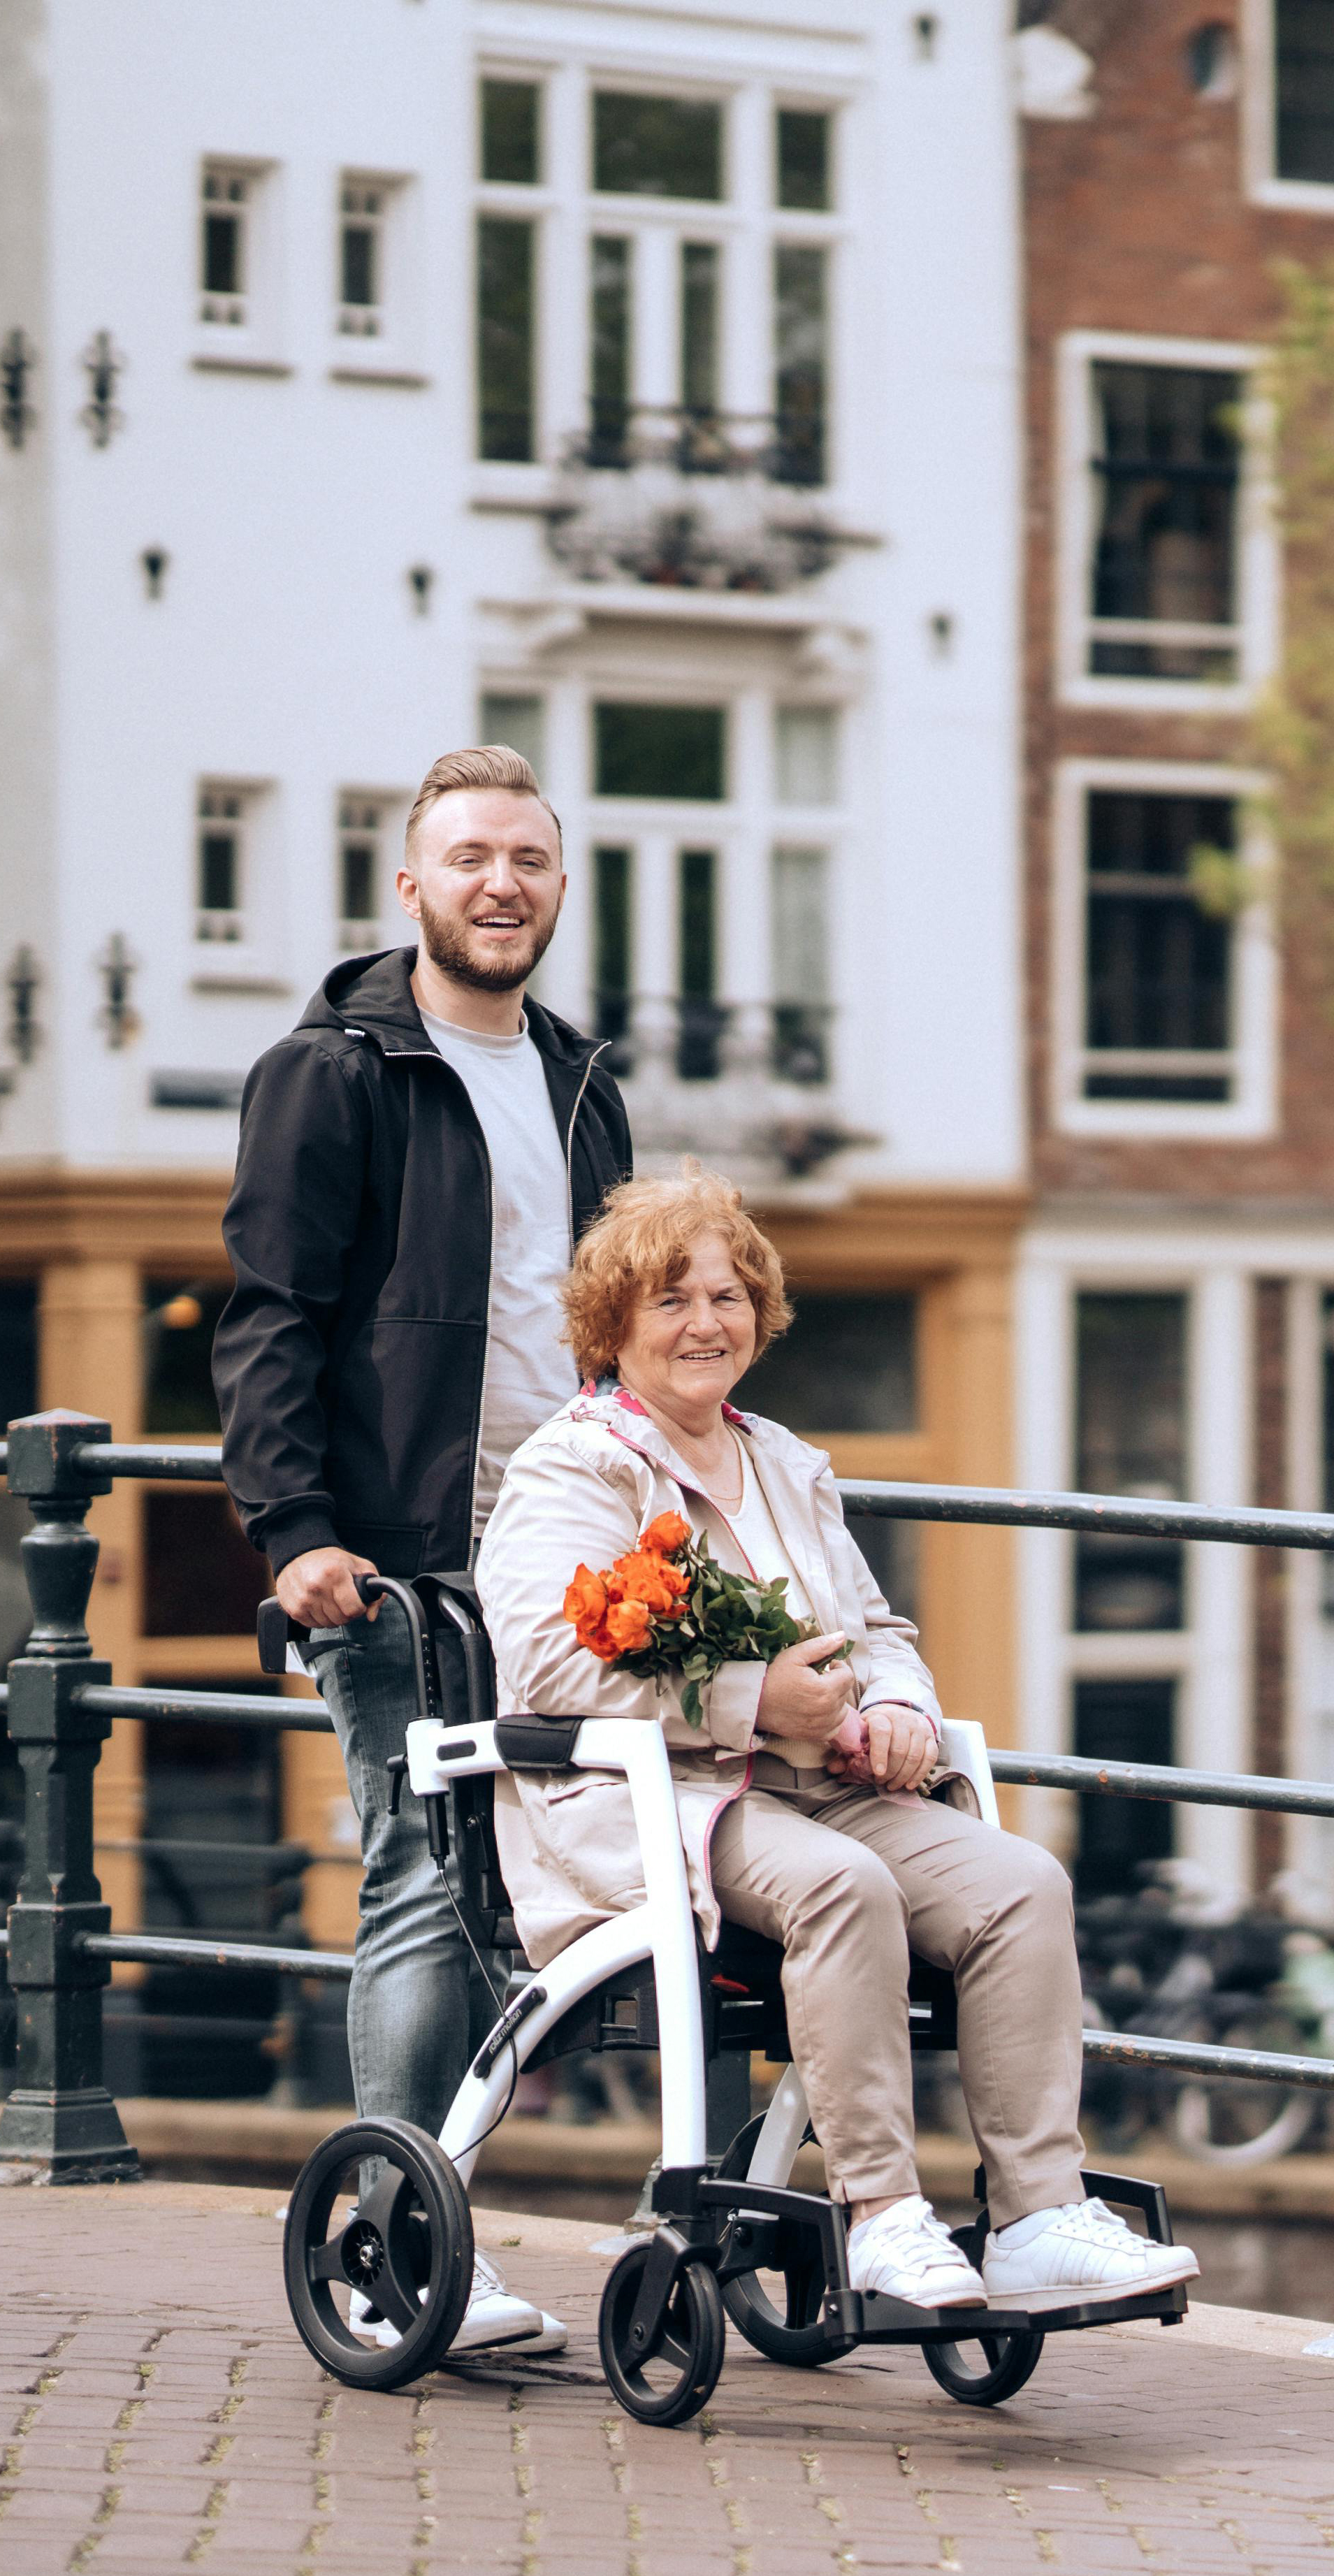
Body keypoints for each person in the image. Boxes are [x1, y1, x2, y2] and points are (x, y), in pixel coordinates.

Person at [474, 1171, 1201, 2312]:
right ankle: (881, 2216)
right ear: (613, 1326)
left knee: (1022, 1884)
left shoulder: (783, 1463)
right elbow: (554, 1673)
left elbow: (879, 1633)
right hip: (656, 1799)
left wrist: (902, 1709)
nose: (706, 1323)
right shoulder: (575, 1467)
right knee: (843, 1887)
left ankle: (1036, 2216)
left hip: (822, 1786)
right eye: (670, 1301)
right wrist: (753, 1700)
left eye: (727, 1295)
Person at [213, 744, 630, 2355]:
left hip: (568, 1558)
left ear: (557, 884)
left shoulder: (582, 1080)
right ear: (412, 886)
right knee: (416, 1873)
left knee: (524, 1905)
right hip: (395, 1556)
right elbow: (271, 1322)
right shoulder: (334, 1071)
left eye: (527, 858)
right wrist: (297, 1533)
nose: (500, 885)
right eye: (468, 859)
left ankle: (437, 2234)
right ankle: (398, 2257)